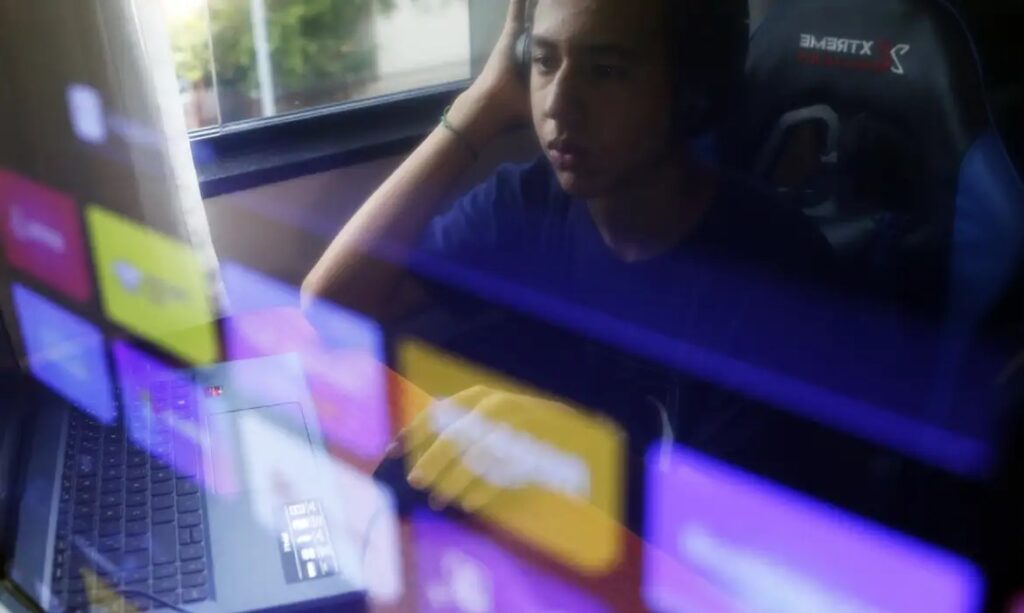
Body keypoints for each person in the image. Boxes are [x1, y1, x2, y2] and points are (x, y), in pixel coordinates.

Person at [301, 0, 835, 354]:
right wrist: (481, 105)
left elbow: (739, 497)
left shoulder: (777, 274)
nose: (557, 104)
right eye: (543, 61)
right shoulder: (527, 204)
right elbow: (332, 305)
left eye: (605, 72)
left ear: (693, 88)